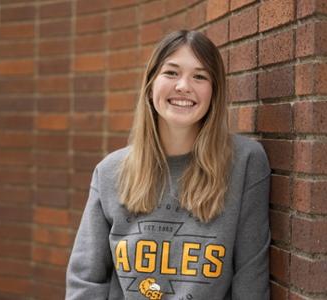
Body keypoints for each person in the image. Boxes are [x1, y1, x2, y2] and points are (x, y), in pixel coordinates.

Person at [66, 30, 270, 300]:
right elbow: (86, 279)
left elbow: (250, 279)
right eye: (171, 73)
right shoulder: (111, 171)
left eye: (200, 76)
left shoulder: (245, 162)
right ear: (150, 86)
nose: (184, 86)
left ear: (214, 93)